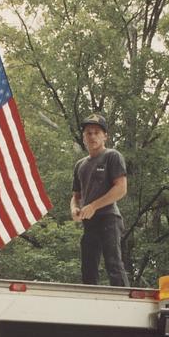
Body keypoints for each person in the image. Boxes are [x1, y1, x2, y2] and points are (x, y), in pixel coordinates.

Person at [71, 113, 130, 286]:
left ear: (105, 136)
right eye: (88, 132)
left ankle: (122, 303)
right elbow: (76, 196)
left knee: (113, 263)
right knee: (88, 268)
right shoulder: (80, 165)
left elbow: (121, 188)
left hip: (109, 218)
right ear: (84, 137)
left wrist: (94, 206)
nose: (92, 136)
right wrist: (74, 209)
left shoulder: (112, 156)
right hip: (89, 222)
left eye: (97, 132)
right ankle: (91, 306)